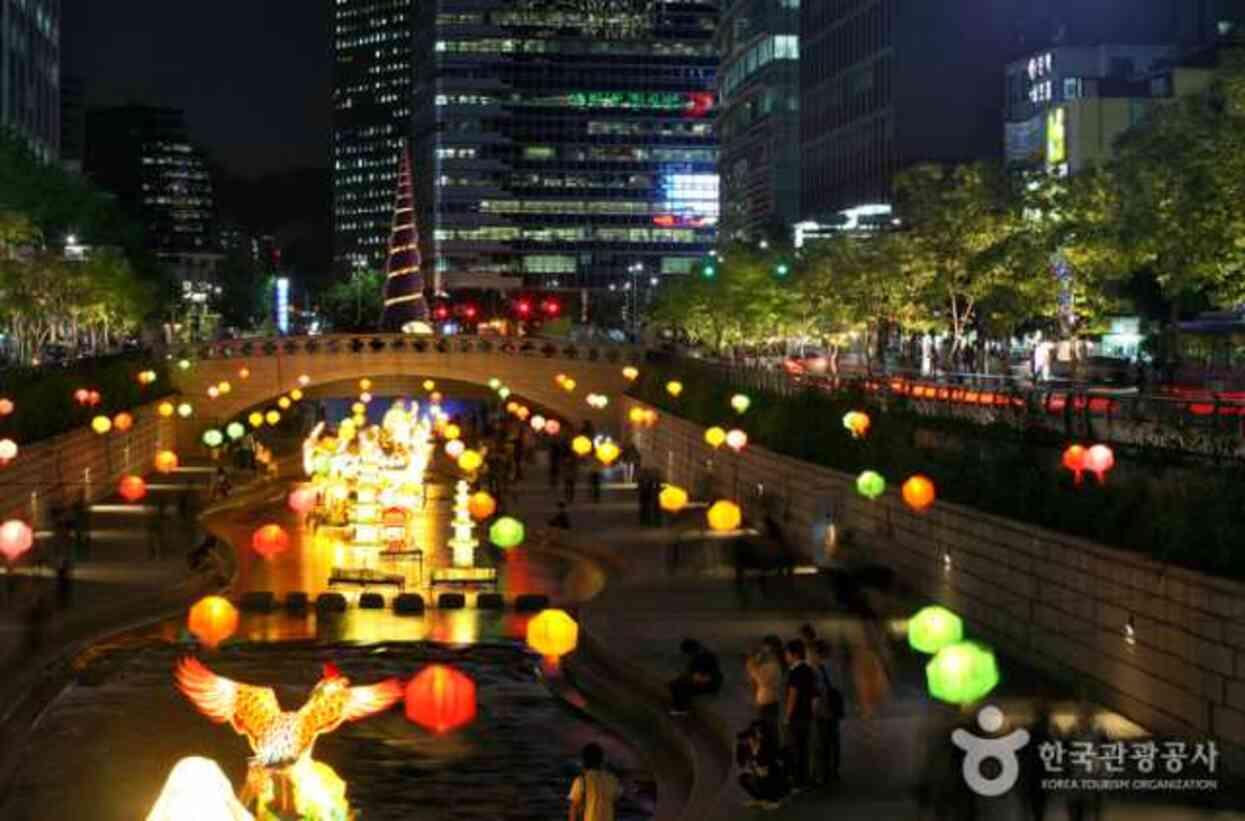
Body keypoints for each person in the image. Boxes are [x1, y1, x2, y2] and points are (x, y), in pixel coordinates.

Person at [784, 639, 818, 790]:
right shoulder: (809, 669)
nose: (786, 656)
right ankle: (805, 778)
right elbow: (814, 694)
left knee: (795, 747)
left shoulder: (794, 672)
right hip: (807, 714)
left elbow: (793, 694)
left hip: (797, 715)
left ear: (794, 654)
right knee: (804, 748)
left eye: (787, 653)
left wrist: (787, 715)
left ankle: (797, 780)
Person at [810, 639, 844, 785]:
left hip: (823, 710)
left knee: (822, 743)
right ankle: (834, 771)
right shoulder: (836, 667)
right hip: (835, 709)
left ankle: (823, 775)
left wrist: (813, 710)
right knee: (834, 740)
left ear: (818, 653)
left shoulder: (817, 669)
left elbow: (818, 692)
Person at [737, 720, 788, 810]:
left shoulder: (767, 743)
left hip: (772, 773)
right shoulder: (749, 744)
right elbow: (742, 762)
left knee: (763, 773)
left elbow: (767, 762)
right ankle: (761, 799)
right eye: (755, 731)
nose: (757, 733)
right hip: (760, 772)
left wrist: (757, 764)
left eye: (759, 731)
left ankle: (774, 800)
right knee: (743, 778)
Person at [668, 638, 723, 715]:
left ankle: (681, 709)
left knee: (680, 687)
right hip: (706, 680)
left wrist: (690, 678)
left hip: (709, 683)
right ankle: (681, 706)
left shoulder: (703, 657)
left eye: (687, 653)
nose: (687, 656)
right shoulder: (702, 655)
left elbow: (703, 676)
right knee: (675, 684)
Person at [567, 742, 620, 821]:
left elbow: (574, 809)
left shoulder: (581, 781)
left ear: (584, 761)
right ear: (601, 760)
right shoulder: (612, 780)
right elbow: (615, 806)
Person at [746, 643, 784, 750]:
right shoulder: (774, 666)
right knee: (772, 729)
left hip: (766, 702)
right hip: (772, 701)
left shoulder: (764, 668)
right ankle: (774, 751)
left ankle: (769, 753)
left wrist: (751, 661)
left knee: (766, 730)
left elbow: (756, 676)